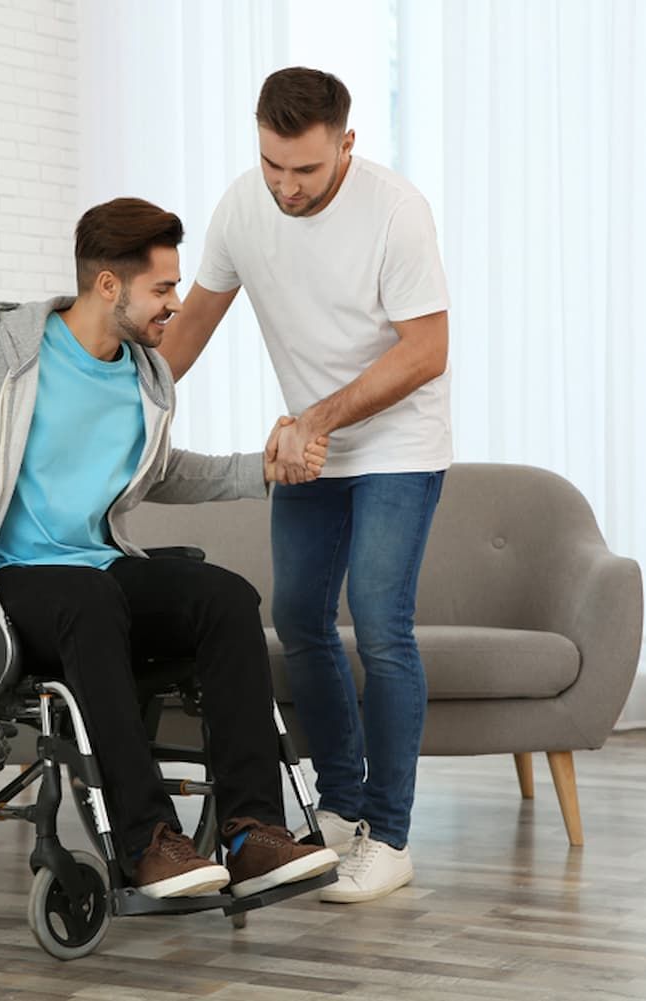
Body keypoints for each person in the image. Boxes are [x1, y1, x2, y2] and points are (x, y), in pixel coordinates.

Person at [0, 197, 339, 900]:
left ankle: (250, 831)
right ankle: (147, 841)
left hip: (97, 576)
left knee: (226, 598)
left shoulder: (144, 373)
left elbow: (156, 471)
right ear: (109, 284)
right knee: (90, 597)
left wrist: (256, 469)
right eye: (163, 288)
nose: (176, 304)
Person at [158, 67, 452, 903]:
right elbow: (188, 331)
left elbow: (427, 350)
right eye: (272, 164)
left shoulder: (396, 211)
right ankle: (342, 805)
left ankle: (389, 836)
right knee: (298, 618)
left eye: (307, 170)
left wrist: (317, 418)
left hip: (397, 442)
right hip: (310, 448)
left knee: (382, 623)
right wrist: (112, 406)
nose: (286, 186)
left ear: (346, 144)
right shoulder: (242, 207)